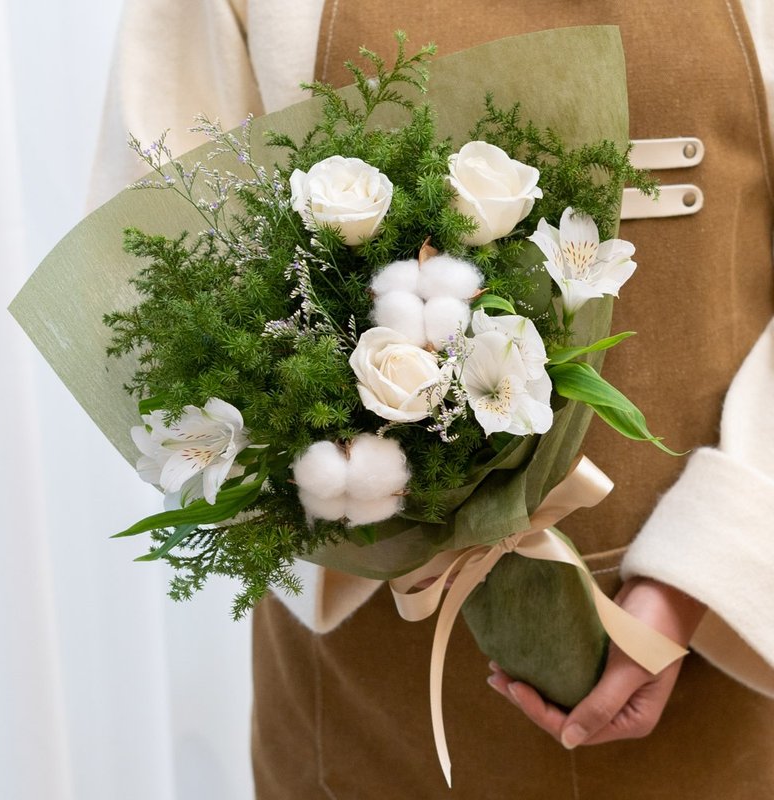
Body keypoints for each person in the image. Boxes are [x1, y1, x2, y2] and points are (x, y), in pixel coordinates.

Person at [92, 1, 774, 796]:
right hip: (372, 688)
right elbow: (154, 242)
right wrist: (371, 509)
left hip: (723, 655)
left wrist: (709, 568)